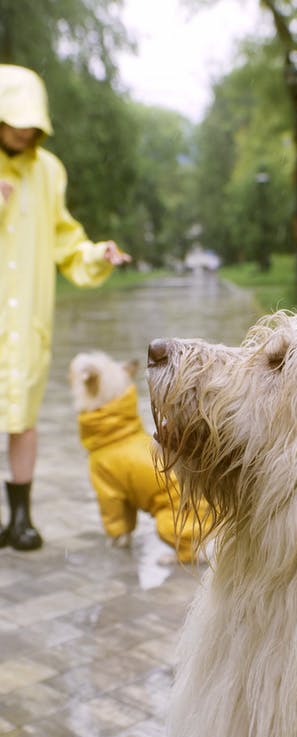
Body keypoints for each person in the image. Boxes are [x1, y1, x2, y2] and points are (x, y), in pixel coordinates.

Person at [0, 64, 131, 551]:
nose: (23, 130)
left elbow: (64, 238)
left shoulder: (48, 170)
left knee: (23, 417)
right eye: (14, 119)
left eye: (30, 121)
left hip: (27, 316)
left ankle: (20, 519)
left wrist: (97, 254)